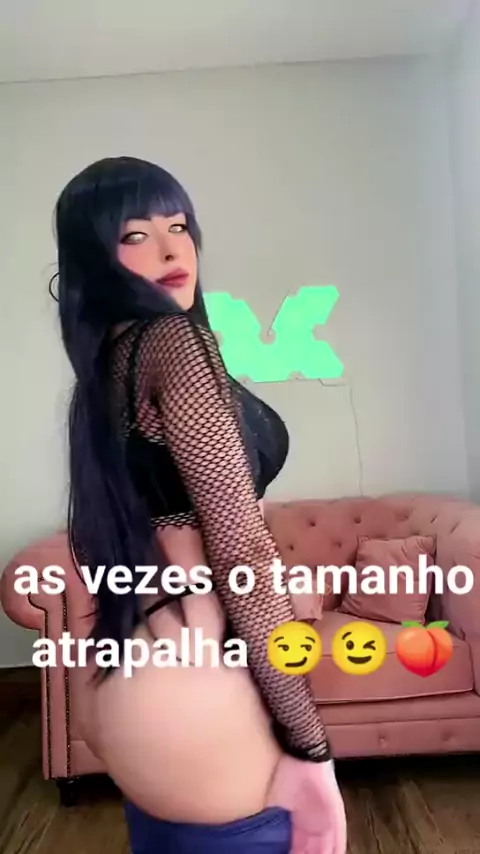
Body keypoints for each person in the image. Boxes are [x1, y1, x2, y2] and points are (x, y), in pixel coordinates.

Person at [51, 155, 347, 854]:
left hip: (128, 678)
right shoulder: (175, 342)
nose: (171, 249)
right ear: (95, 255)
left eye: (179, 226)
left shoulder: (103, 366)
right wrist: (312, 748)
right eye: (135, 234)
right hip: (197, 685)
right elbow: (242, 555)